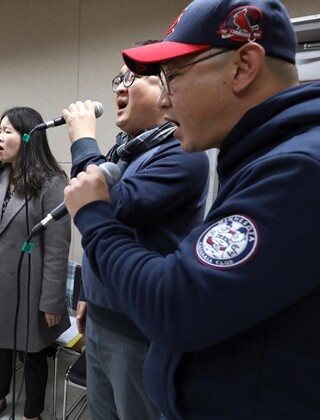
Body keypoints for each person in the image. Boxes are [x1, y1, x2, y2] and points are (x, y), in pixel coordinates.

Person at [62, 0, 320, 418]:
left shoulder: (297, 168)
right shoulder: (263, 158)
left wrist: (93, 215)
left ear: (243, 66)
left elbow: (177, 304)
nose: (166, 101)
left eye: (174, 77)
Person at [69, 41, 210, 420]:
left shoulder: (182, 153)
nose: (119, 88)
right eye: (119, 78)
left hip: (138, 329)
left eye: (133, 78)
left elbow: (114, 206)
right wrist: (86, 292)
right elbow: (95, 230)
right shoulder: (123, 152)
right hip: (100, 318)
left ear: (166, 90)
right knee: (101, 413)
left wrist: (83, 140)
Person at [0, 107, 71, 420]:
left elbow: (58, 247)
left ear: (27, 136)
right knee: (0, 342)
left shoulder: (51, 183)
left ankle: (31, 413)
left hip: (30, 282)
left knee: (32, 351)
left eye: (7, 131)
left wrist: (52, 300)